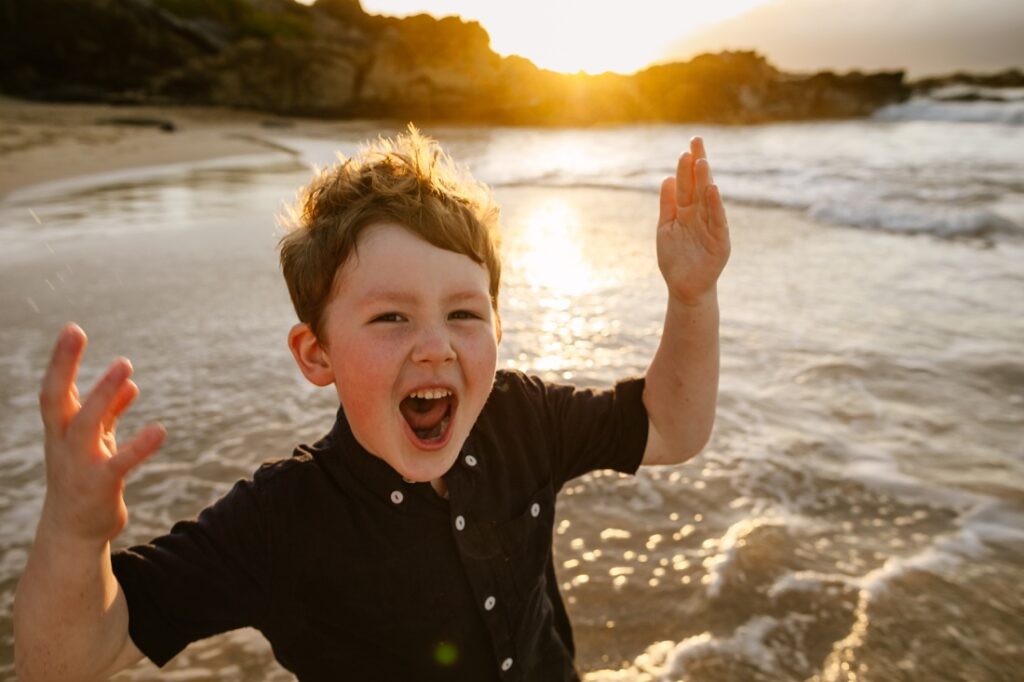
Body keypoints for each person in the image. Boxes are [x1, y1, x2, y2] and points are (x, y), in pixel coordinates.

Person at [13, 128, 730, 681]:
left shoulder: (522, 417)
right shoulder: (283, 519)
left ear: (499, 328)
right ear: (315, 353)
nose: (434, 346)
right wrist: (75, 537)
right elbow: (72, 659)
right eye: (391, 318)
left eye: (464, 314)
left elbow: (671, 425)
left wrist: (691, 297)